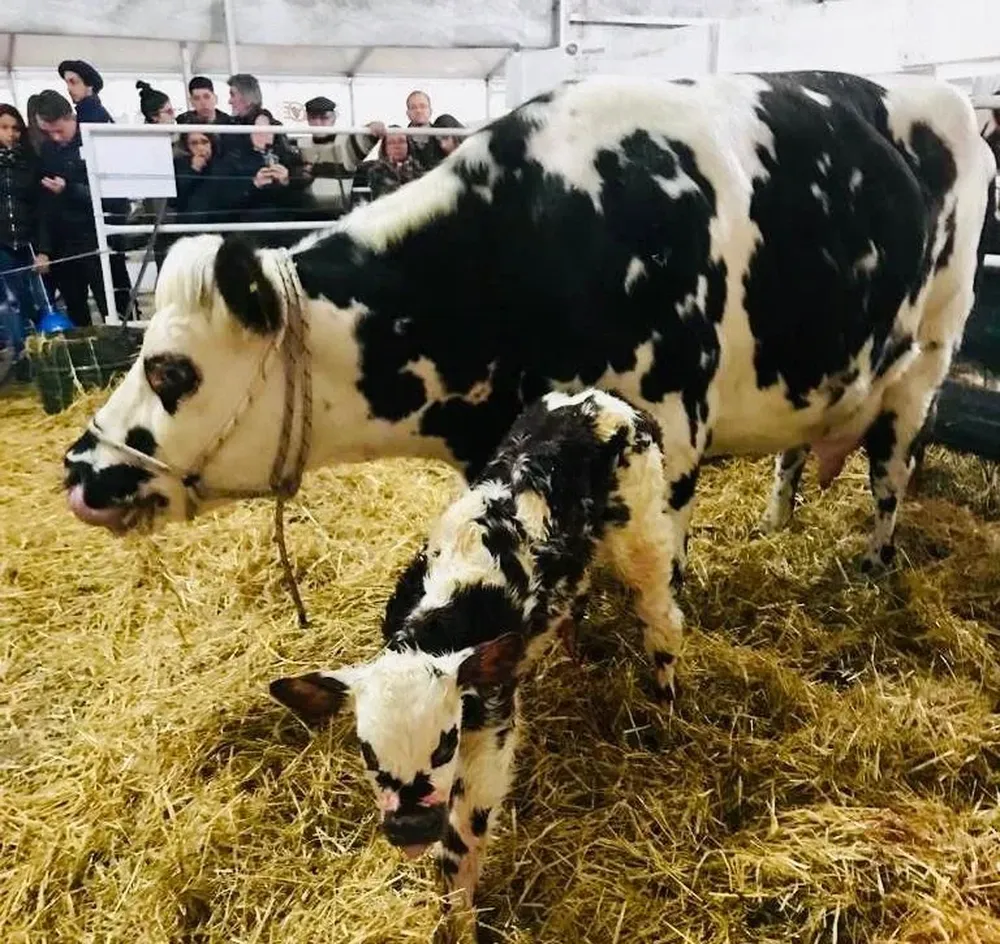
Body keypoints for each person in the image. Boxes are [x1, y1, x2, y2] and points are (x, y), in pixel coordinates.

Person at [0, 104, 47, 362]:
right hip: (2, 245)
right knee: (9, 303)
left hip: (28, 242)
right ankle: (21, 356)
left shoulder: (30, 163)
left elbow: (40, 209)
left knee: (35, 300)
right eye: (4, 127)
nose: (11, 133)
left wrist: (43, 249)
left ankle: (42, 352)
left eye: (15, 128)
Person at [298, 95, 385, 217]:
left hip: (337, 215)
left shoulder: (345, 142)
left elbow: (369, 134)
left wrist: (373, 125)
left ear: (333, 118)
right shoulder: (301, 144)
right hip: (306, 215)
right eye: (313, 117)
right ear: (307, 119)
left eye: (324, 118)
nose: (318, 123)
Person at [368, 127, 420, 200]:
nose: (397, 146)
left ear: (408, 145)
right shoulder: (377, 171)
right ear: (384, 148)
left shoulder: (418, 169)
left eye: (401, 141)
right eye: (391, 143)